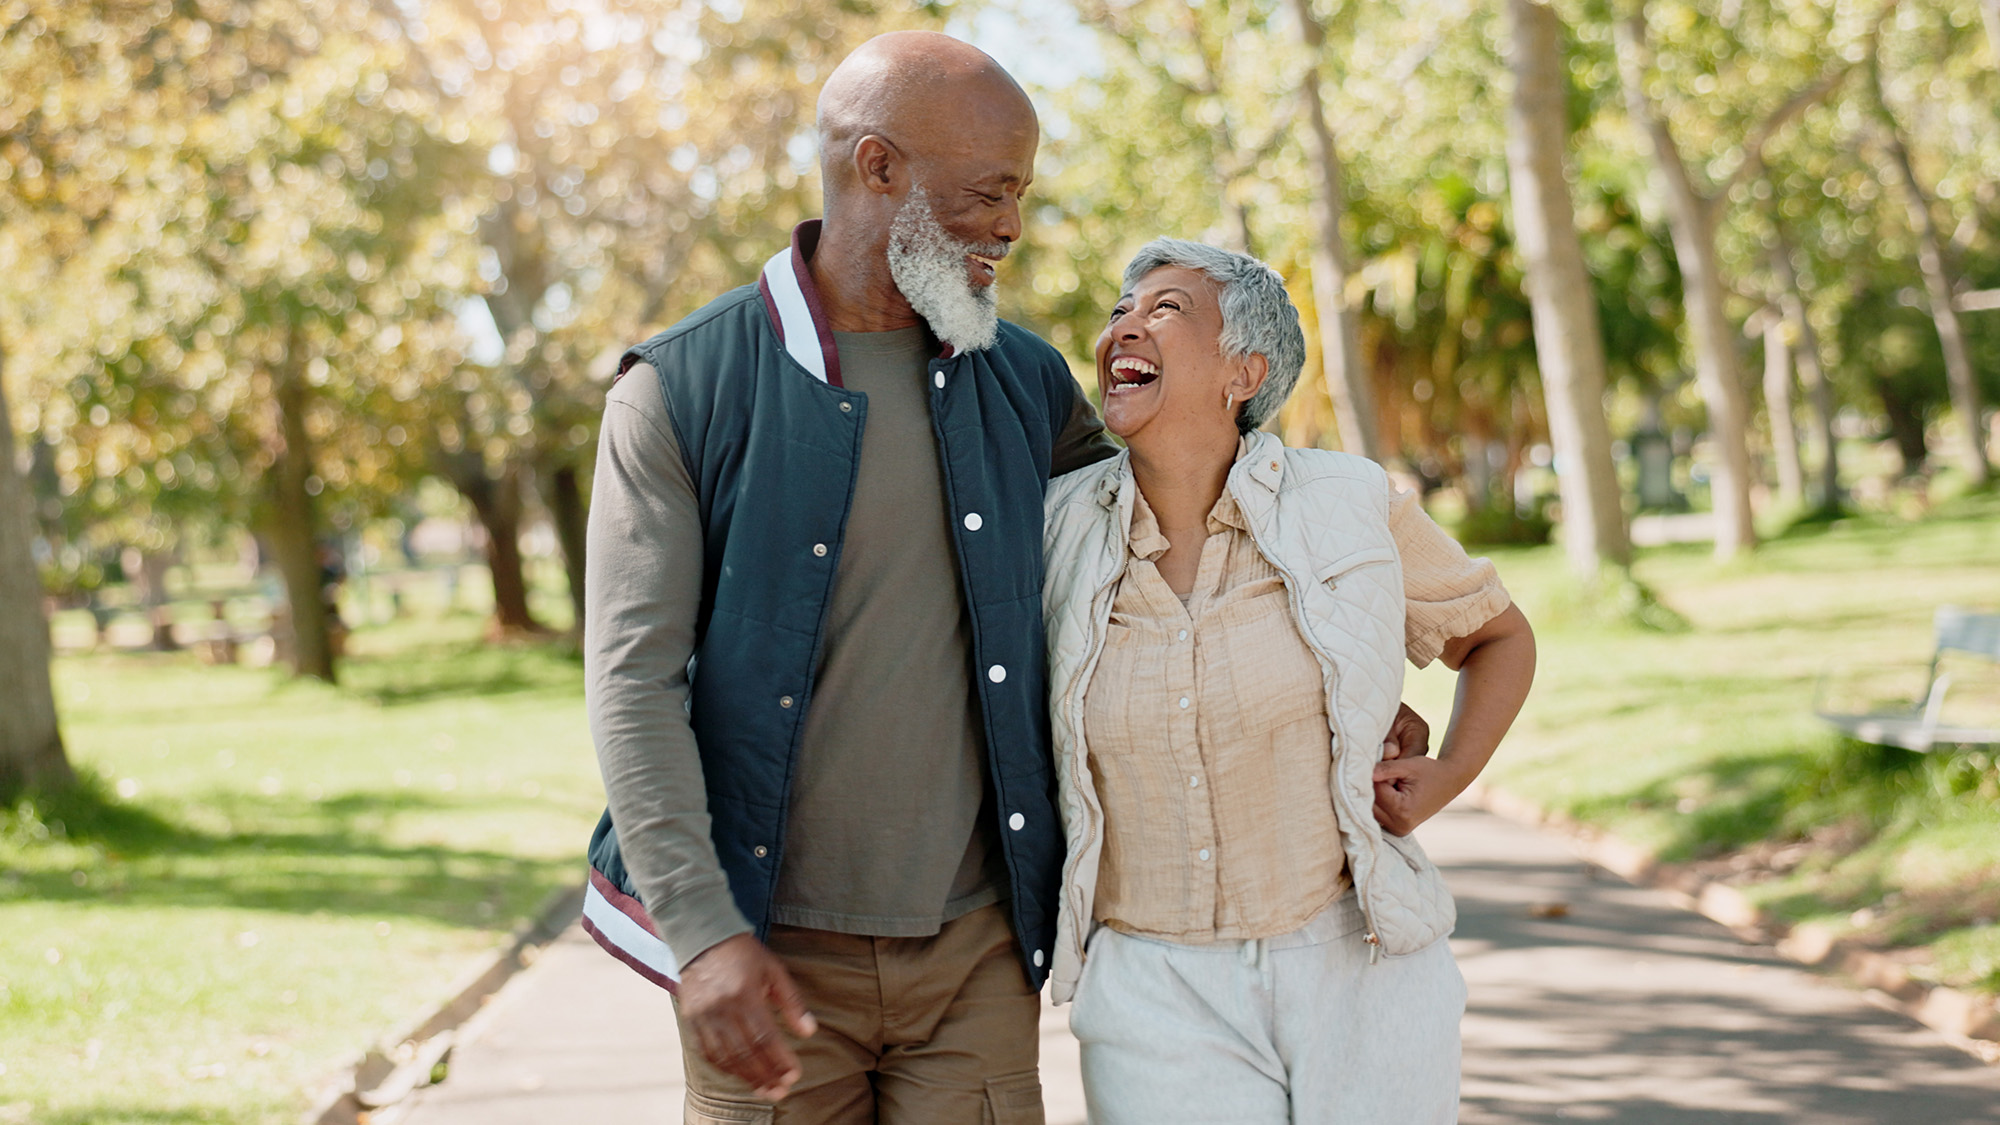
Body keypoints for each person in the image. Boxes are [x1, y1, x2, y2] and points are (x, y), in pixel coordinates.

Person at [579, 31, 1115, 1125]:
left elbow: (1162, 557)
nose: (1010, 226)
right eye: (987, 193)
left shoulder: (1027, 384)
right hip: (765, 955)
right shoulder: (679, 389)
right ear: (878, 169)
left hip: (975, 951)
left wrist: (1327, 681)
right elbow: (633, 683)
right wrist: (703, 932)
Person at [1041, 239, 1538, 1124]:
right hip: (1152, 984)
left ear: (1244, 372)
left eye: (1166, 308)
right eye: (1122, 307)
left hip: (1357, 959)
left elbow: (1496, 635)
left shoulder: (1349, 502)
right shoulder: (1055, 529)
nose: (1126, 322)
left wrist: (1448, 773)